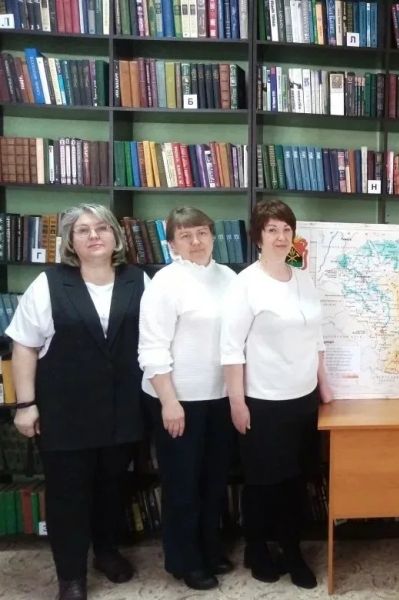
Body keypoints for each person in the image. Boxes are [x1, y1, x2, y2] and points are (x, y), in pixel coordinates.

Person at [6, 204, 147, 600]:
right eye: (83, 230)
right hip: (65, 412)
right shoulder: (49, 283)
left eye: (102, 228)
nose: (94, 235)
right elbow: (24, 346)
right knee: (68, 496)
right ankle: (71, 576)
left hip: (122, 410)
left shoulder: (139, 280)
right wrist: (25, 404)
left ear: (116, 236)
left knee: (111, 489)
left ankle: (106, 552)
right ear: (70, 241)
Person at [220, 199, 333, 590]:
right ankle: (257, 549)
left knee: (296, 482)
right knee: (263, 484)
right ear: (258, 236)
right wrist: (237, 403)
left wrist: (325, 385)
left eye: (286, 229)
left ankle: (292, 551)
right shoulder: (245, 284)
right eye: (272, 230)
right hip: (262, 403)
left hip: (303, 401)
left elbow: (316, 338)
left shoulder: (302, 278)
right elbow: (231, 349)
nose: (281, 237)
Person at [138, 207, 237, 590]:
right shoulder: (165, 283)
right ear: (172, 244)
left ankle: (210, 549)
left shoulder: (229, 277)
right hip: (178, 400)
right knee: (182, 484)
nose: (196, 242)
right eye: (185, 235)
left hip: (220, 396)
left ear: (213, 235)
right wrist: (169, 401)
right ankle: (185, 561)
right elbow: (151, 348)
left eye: (202, 233)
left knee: (213, 480)